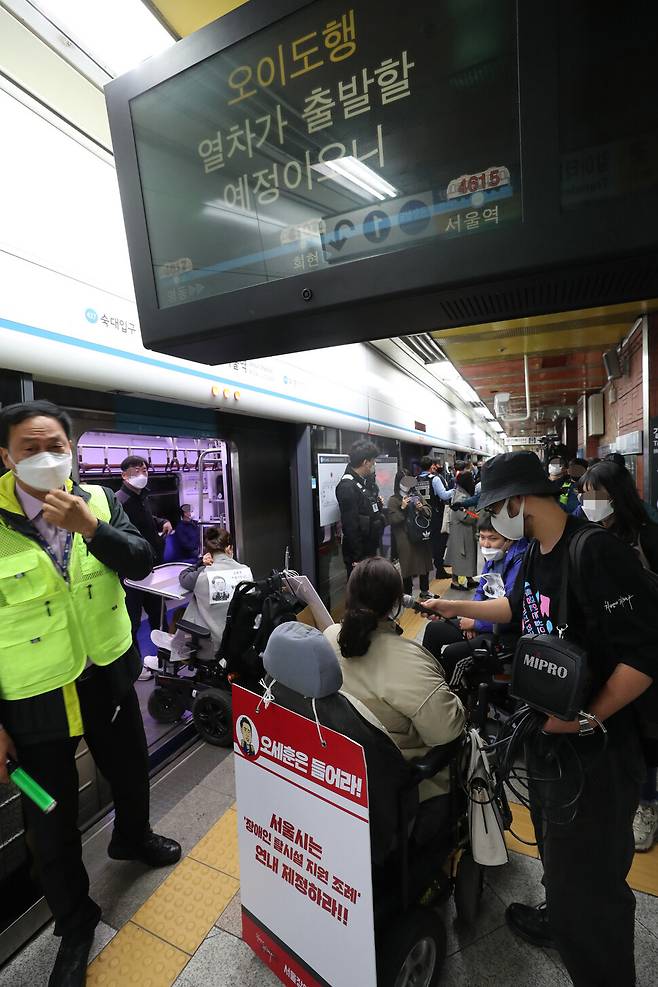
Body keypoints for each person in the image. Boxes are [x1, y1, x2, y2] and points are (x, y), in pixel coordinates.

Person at [423, 450, 653, 987]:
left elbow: (645, 655)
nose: (487, 520)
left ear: (521, 501)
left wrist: (588, 720)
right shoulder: (534, 554)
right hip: (552, 741)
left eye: (494, 508)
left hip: (598, 752)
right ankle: (561, 920)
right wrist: (455, 609)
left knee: (592, 888)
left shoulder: (594, 553)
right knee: (558, 853)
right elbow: (516, 612)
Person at [0, 401, 181, 987]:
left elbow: (142, 558)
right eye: (29, 447)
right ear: (5, 456)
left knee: (129, 770)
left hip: (108, 677)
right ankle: (74, 922)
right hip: (32, 707)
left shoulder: (100, 501)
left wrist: (90, 529)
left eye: (56, 444)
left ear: (72, 449)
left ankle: (132, 836)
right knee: (47, 818)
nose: (45, 456)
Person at [324, 557, 465, 807]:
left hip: (341, 768)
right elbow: (447, 733)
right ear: (396, 603)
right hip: (401, 783)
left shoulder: (329, 637)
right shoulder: (411, 664)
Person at [580, 459, 658, 852]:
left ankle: (648, 804)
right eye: (584, 492)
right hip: (614, 650)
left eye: (594, 493)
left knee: (650, 729)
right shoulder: (592, 536)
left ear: (615, 496)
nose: (586, 500)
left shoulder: (646, 537)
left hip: (647, 650)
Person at [422, 511, 527, 683]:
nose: (486, 544)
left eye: (492, 539)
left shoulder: (519, 562)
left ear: (509, 539)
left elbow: (511, 610)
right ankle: (428, 682)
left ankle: (450, 697)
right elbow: (481, 591)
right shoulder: (493, 559)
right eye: (482, 537)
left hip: (505, 633)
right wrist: (472, 617)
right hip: (485, 622)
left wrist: (476, 623)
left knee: (452, 653)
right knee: (434, 630)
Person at [152, 527, 253, 666]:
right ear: (229, 548)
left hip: (211, 647)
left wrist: (200, 562)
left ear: (208, 553)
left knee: (179, 615)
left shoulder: (202, 574)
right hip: (240, 640)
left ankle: (173, 659)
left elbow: (183, 577)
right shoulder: (246, 571)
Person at [115, 456, 172, 659]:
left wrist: (161, 521)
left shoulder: (142, 498)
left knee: (159, 616)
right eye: (136, 471)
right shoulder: (119, 502)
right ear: (124, 475)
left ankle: (165, 659)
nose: (142, 474)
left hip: (152, 570)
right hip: (131, 574)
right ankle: (136, 667)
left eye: (145, 470)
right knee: (132, 621)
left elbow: (146, 521)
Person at [335, 440, 385, 577]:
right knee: (361, 592)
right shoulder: (347, 486)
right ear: (365, 462)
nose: (373, 466)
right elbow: (350, 525)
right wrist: (358, 559)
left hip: (369, 546)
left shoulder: (362, 482)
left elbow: (366, 508)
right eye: (373, 462)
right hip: (359, 554)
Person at [387, 472, 433, 599]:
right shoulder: (394, 499)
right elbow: (393, 520)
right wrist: (402, 507)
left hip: (420, 534)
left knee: (424, 562)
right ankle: (407, 594)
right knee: (407, 565)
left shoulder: (416, 495)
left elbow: (429, 512)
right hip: (404, 537)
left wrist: (421, 508)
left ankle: (425, 591)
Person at [418, 455, 452, 579]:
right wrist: (455, 490)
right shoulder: (435, 479)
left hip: (421, 515)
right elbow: (443, 496)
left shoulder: (415, 479)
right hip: (435, 514)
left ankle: (426, 567)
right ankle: (439, 568)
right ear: (432, 466)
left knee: (427, 541)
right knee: (440, 541)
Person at [445, 470, 478, 591]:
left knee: (466, 556)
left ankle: (469, 579)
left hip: (464, 531)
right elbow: (464, 516)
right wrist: (476, 516)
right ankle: (455, 582)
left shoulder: (459, 492)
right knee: (460, 556)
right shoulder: (461, 496)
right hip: (462, 532)